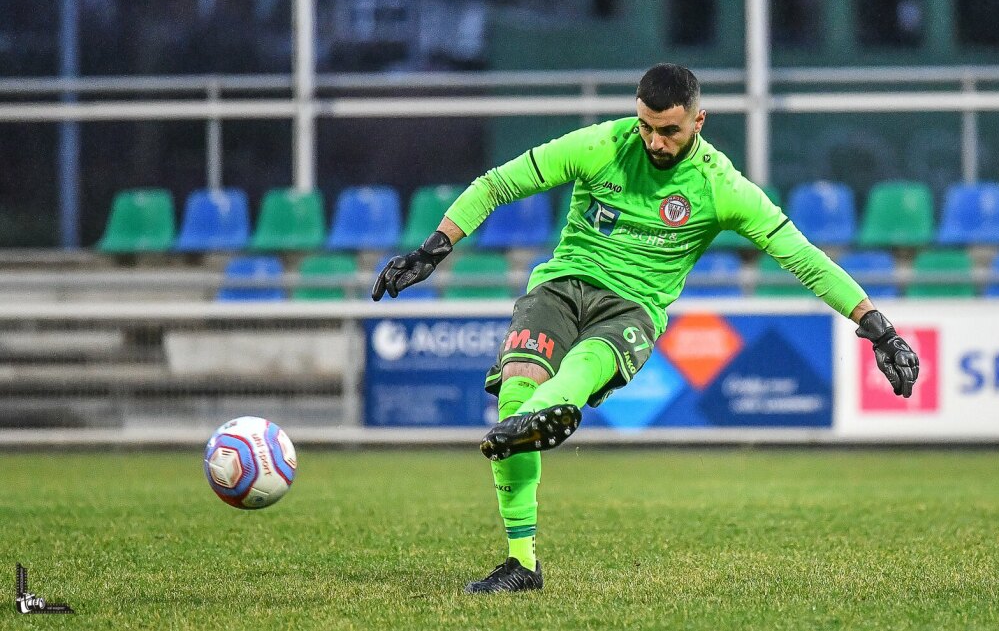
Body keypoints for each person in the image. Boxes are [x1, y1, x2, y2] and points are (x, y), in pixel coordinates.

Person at [371, 63, 920, 594]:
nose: (654, 141)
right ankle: (521, 561)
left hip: (632, 309)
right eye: (646, 127)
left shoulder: (719, 186)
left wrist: (877, 326)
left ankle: (548, 412)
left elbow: (802, 257)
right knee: (516, 382)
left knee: (582, 367)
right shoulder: (602, 145)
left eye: (669, 131)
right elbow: (498, 184)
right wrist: (434, 248)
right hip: (561, 284)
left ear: (697, 123)